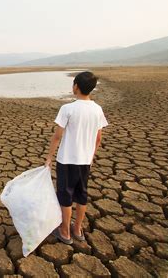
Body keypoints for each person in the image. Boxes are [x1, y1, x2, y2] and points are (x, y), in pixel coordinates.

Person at [45, 71, 108, 244]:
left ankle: (65, 233)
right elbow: (98, 138)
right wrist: (91, 157)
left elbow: (57, 136)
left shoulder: (68, 109)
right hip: (85, 162)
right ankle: (78, 229)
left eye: (73, 84)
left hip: (66, 160)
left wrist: (49, 157)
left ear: (76, 87)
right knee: (81, 195)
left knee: (65, 196)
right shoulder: (97, 110)